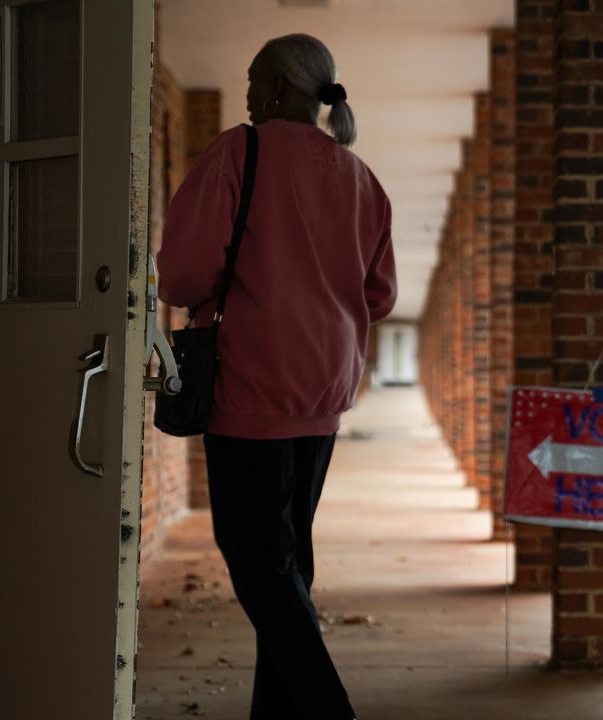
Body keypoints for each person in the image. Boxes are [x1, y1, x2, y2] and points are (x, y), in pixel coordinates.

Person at [156, 33, 394, 720]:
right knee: (288, 559)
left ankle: (328, 709)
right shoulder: (359, 178)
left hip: (251, 385)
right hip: (323, 391)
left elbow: (181, 276)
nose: (250, 92)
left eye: (258, 80)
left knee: (259, 560)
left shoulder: (240, 152)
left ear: (286, 88)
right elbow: (378, 296)